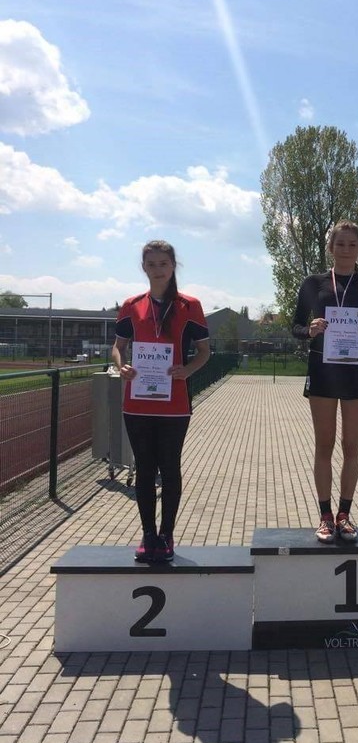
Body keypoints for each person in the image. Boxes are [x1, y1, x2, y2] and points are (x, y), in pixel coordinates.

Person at [111, 240, 211, 563]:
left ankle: (167, 535)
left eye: (163, 264)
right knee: (144, 469)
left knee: (169, 468)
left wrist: (187, 370)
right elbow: (118, 347)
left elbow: (205, 352)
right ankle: (148, 535)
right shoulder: (131, 305)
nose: (157, 270)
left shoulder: (190, 305)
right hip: (137, 403)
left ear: (173, 266)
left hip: (174, 405)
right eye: (151, 264)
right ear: (144, 267)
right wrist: (121, 366)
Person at [292, 220, 358, 543]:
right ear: (330, 248)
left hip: (355, 373)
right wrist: (310, 329)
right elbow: (295, 327)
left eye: (352, 245)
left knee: (351, 445)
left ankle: (344, 514)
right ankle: (325, 516)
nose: (346, 250)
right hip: (322, 372)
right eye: (340, 244)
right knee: (324, 445)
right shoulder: (313, 283)